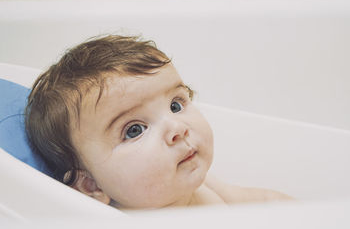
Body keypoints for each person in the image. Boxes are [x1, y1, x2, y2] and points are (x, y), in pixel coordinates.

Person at [25, 35, 292, 210]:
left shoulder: (198, 185)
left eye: (175, 105)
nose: (177, 128)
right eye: (134, 130)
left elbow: (258, 200)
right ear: (91, 185)